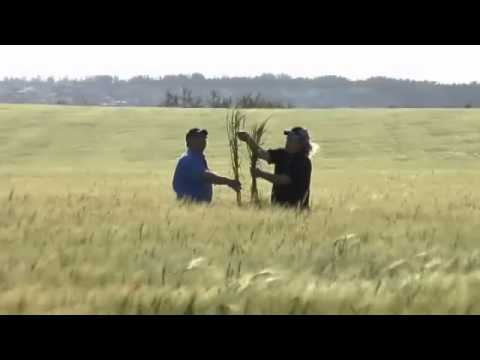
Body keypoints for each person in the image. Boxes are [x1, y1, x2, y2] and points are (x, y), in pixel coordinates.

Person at [238, 127, 314, 209]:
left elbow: (285, 179)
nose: (287, 140)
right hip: (277, 207)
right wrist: (248, 139)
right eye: (288, 138)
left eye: (291, 139)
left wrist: (261, 174)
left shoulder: (303, 161)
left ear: (300, 143)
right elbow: (261, 153)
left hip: (297, 210)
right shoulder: (281, 154)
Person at [172, 128, 241, 203]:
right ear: (189, 142)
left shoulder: (198, 158)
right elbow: (205, 176)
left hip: (197, 207)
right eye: (198, 138)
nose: (203, 140)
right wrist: (228, 182)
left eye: (204, 138)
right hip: (190, 206)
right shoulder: (188, 159)